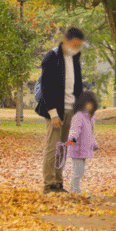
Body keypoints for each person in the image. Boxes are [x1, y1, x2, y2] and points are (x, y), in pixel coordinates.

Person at [35, 26, 85, 193]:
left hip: (71, 109)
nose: (77, 48)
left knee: (63, 147)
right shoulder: (52, 57)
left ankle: (58, 182)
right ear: (66, 41)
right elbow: (47, 87)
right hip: (55, 110)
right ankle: (48, 184)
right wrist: (53, 113)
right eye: (75, 44)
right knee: (52, 147)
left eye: (79, 45)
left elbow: (78, 85)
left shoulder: (75, 58)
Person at [66, 90, 100, 196]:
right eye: (88, 103)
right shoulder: (79, 116)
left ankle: (74, 189)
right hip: (77, 148)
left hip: (84, 149)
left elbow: (90, 134)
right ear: (82, 103)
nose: (89, 106)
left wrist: (94, 144)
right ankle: (75, 190)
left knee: (80, 172)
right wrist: (72, 138)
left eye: (92, 104)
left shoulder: (90, 118)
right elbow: (74, 129)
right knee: (78, 172)